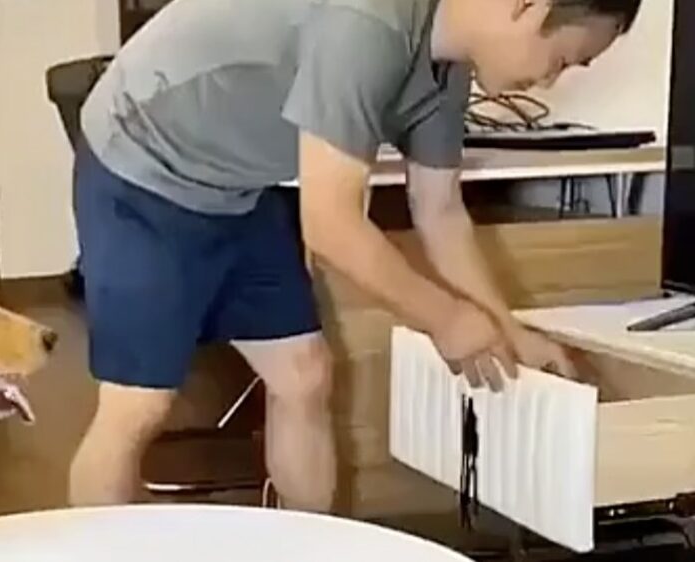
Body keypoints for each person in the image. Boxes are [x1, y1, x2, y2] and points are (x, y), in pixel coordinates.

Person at [68, 0, 641, 512]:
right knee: (139, 405)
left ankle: (309, 549)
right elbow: (331, 225)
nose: (549, 82)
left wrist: (508, 331)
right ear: (527, 5)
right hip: (140, 161)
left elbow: (440, 212)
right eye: (560, 61)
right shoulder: (368, 21)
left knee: (304, 375)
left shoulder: (446, 70)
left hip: (236, 187)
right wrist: (445, 318)